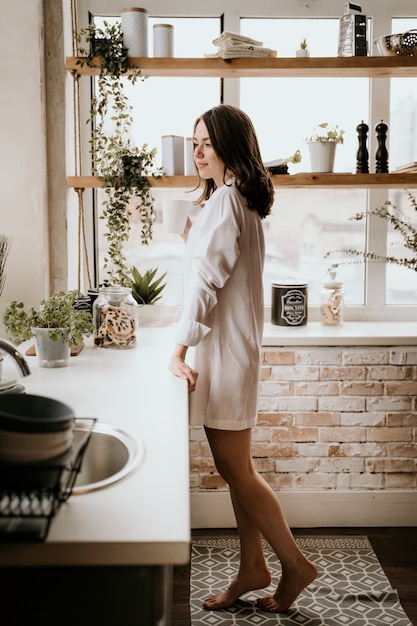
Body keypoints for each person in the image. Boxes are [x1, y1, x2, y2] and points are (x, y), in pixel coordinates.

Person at [168, 104, 317, 613]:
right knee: (237, 470)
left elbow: (207, 282)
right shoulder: (235, 202)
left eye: (207, 143)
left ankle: (294, 563)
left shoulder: (228, 203)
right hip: (234, 351)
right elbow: (213, 271)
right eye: (194, 143)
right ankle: (253, 566)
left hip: (222, 356)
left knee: (238, 471)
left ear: (231, 147)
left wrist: (179, 350)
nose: (197, 152)